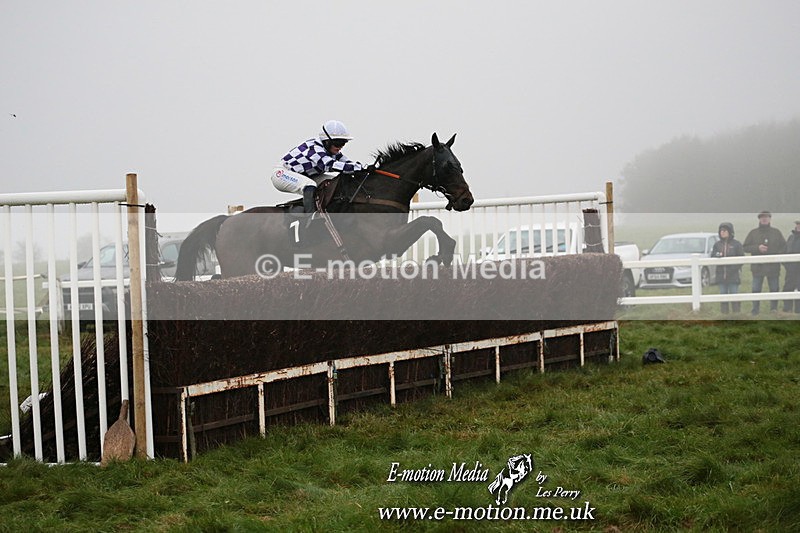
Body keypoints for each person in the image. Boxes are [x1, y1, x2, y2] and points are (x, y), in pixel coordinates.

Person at [271, 120, 364, 214]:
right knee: (309, 185)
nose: (340, 147)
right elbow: (329, 165)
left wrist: (365, 168)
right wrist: (357, 168)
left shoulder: (332, 151)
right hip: (282, 174)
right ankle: (311, 216)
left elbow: (348, 164)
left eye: (343, 143)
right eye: (338, 143)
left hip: (309, 176)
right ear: (326, 141)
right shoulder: (314, 147)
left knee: (337, 182)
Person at [742, 211, 786, 315]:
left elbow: (784, 246)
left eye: (766, 217)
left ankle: (773, 309)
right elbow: (745, 247)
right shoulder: (753, 233)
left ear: (770, 219)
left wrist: (774, 254)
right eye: (762, 217)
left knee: (774, 288)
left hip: (773, 267)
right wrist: (757, 248)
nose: (764, 219)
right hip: (758, 267)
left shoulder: (776, 232)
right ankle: (755, 310)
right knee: (756, 289)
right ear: (759, 219)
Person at [711, 222, 744, 314]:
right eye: (721, 231)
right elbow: (713, 255)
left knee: (734, 294)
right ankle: (724, 314)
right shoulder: (717, 245)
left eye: (724, 230)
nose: (722, 232)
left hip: (733, 275)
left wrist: (732, 269)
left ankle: (736, 314)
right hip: (721, 275)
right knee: (723, 295)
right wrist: (718, 256)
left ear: (730, 232)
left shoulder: (737, 244)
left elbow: (741, 258)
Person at [782, 219, 800, 313]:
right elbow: (785, 251)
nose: (798, 226)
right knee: (788, 288)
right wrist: (786, 264)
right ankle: (787, 309)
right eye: (797, 224)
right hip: (790, 269)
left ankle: (798, 311)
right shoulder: (791, 237)